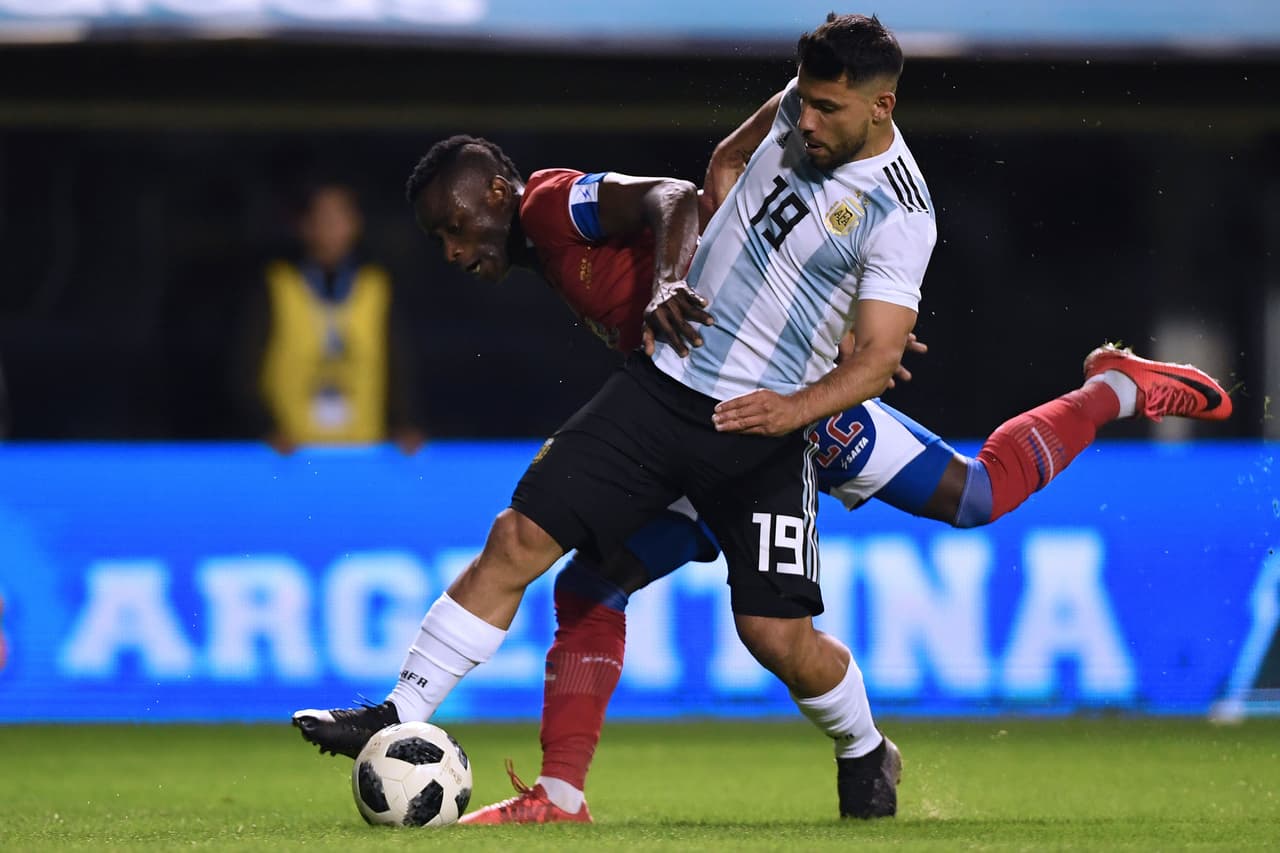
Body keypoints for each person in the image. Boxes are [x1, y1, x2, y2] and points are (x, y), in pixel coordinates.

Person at [293, 14, 1232, 822]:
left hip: (794, 415)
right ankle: (548, 789)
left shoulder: (896, 212)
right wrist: (724, 262)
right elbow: (718, 167)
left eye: (826, 108)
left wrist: (818, 373)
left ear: (881, 106)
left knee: (964, 500)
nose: (806, 116)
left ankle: (1111, 388)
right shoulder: (793, 110)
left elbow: (852, 342)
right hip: (674, 400)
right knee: (574, 576)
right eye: (804, 100)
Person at [235, 182, 425, 453]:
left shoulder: (376, 287)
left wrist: (403, 425)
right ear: (303, 225)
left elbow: (397, 368)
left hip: (363, 451)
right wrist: (265, 429)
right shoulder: (276, 286)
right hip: (291, 455)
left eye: (340, 217)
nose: (331, 228)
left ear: (355, 224)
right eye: (322, 218)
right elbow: (245, 371)